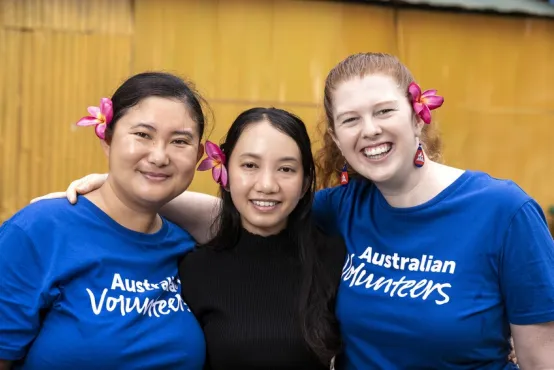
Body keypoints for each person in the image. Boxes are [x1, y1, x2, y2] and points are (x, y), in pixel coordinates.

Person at [32, 52, 554, 369]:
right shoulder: (343, 208)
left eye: (384, 111)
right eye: (350, 119)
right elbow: (249, 218)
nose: (369, 130)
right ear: (336, 137)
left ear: (418, 116)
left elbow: (540, 359)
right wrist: (120, 189)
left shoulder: (503, 212)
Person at [29, 107, 345, 369]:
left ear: (306, 183)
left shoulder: (337, 259)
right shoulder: (192, 265)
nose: (266, 184)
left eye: (286, 170)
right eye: (249, 165)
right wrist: (112, 189)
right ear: (225, 173)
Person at [0, 72, 207, 370]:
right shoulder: (39, 230)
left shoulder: (188, 247)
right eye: (143, 135)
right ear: (107, 138)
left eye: (179, 141)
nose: (160, 156)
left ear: (199, 155)